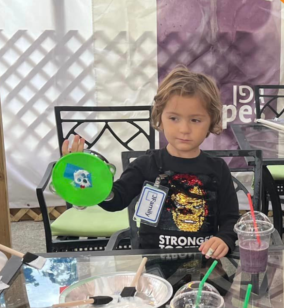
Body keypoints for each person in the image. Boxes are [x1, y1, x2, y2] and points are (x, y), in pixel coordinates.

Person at [64, 67, 239, 258]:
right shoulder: (145, 165)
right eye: (174, 118)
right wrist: (84, 176)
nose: (184, 129)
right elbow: (115, 200)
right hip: (152, 266)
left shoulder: (217, 169)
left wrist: (225, 239)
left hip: (205, 265)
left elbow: (230, 219)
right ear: (160, 118)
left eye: (195, 120)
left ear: (211, 122)